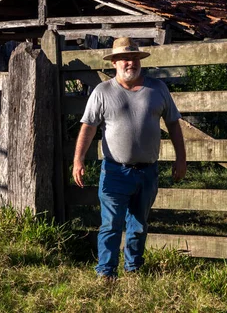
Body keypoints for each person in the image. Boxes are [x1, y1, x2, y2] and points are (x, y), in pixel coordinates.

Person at [72, 37, 186, 280]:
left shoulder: (158, 89)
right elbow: (88, 127)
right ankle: (106, 273)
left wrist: (181, 158)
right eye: (124, 58)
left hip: (147, 171)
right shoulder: (103, 92)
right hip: (115, 171)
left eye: (134, 58)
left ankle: (133, 270)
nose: (130, 63)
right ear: (114, 63)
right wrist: (78, 160)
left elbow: (174, 124)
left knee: (138, 225)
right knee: (110, 225)